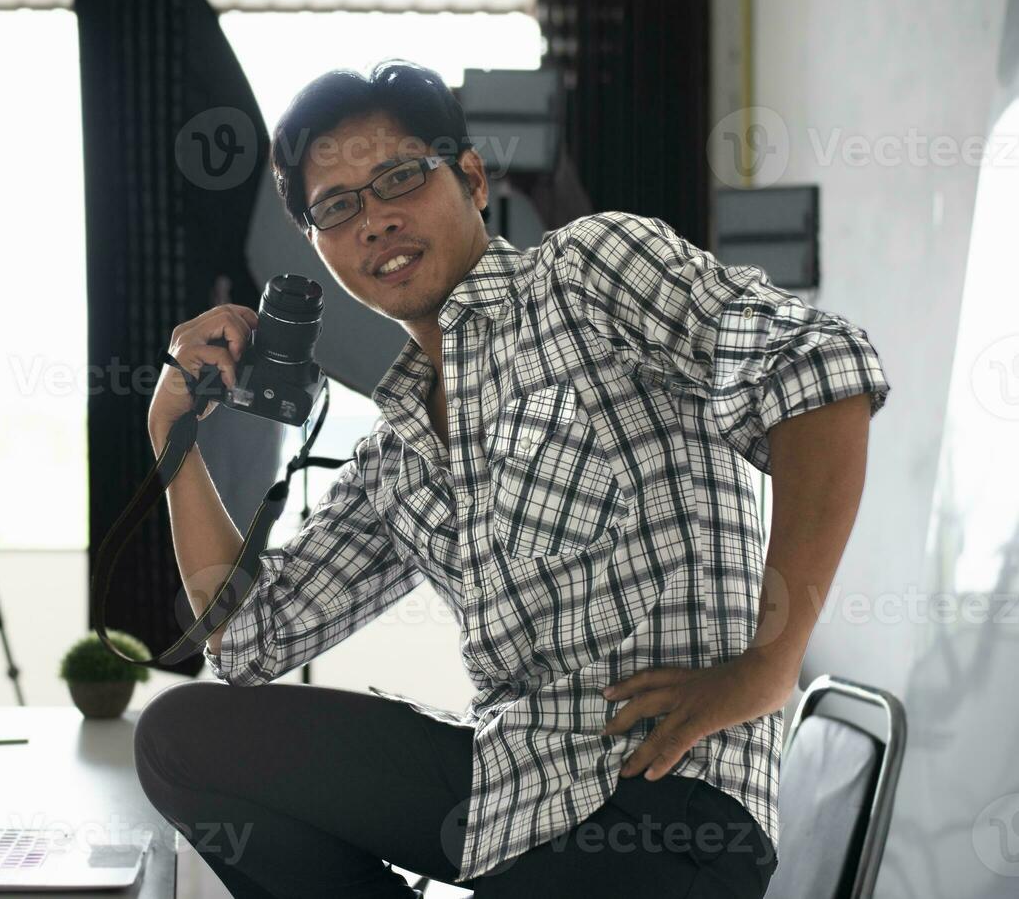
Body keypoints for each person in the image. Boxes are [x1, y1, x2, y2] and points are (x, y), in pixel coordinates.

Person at [133, 59, 890, 898]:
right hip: (507, 803)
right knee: (181, 737)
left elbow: (823, 372)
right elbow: (246, 640)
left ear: (469, 178)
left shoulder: (586, 275)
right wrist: (172, 435)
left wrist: (768, 664)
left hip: (661, 808)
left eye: (398, 179)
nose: (375, 221)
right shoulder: (398, 453)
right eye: (338, 208)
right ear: (317, 247)